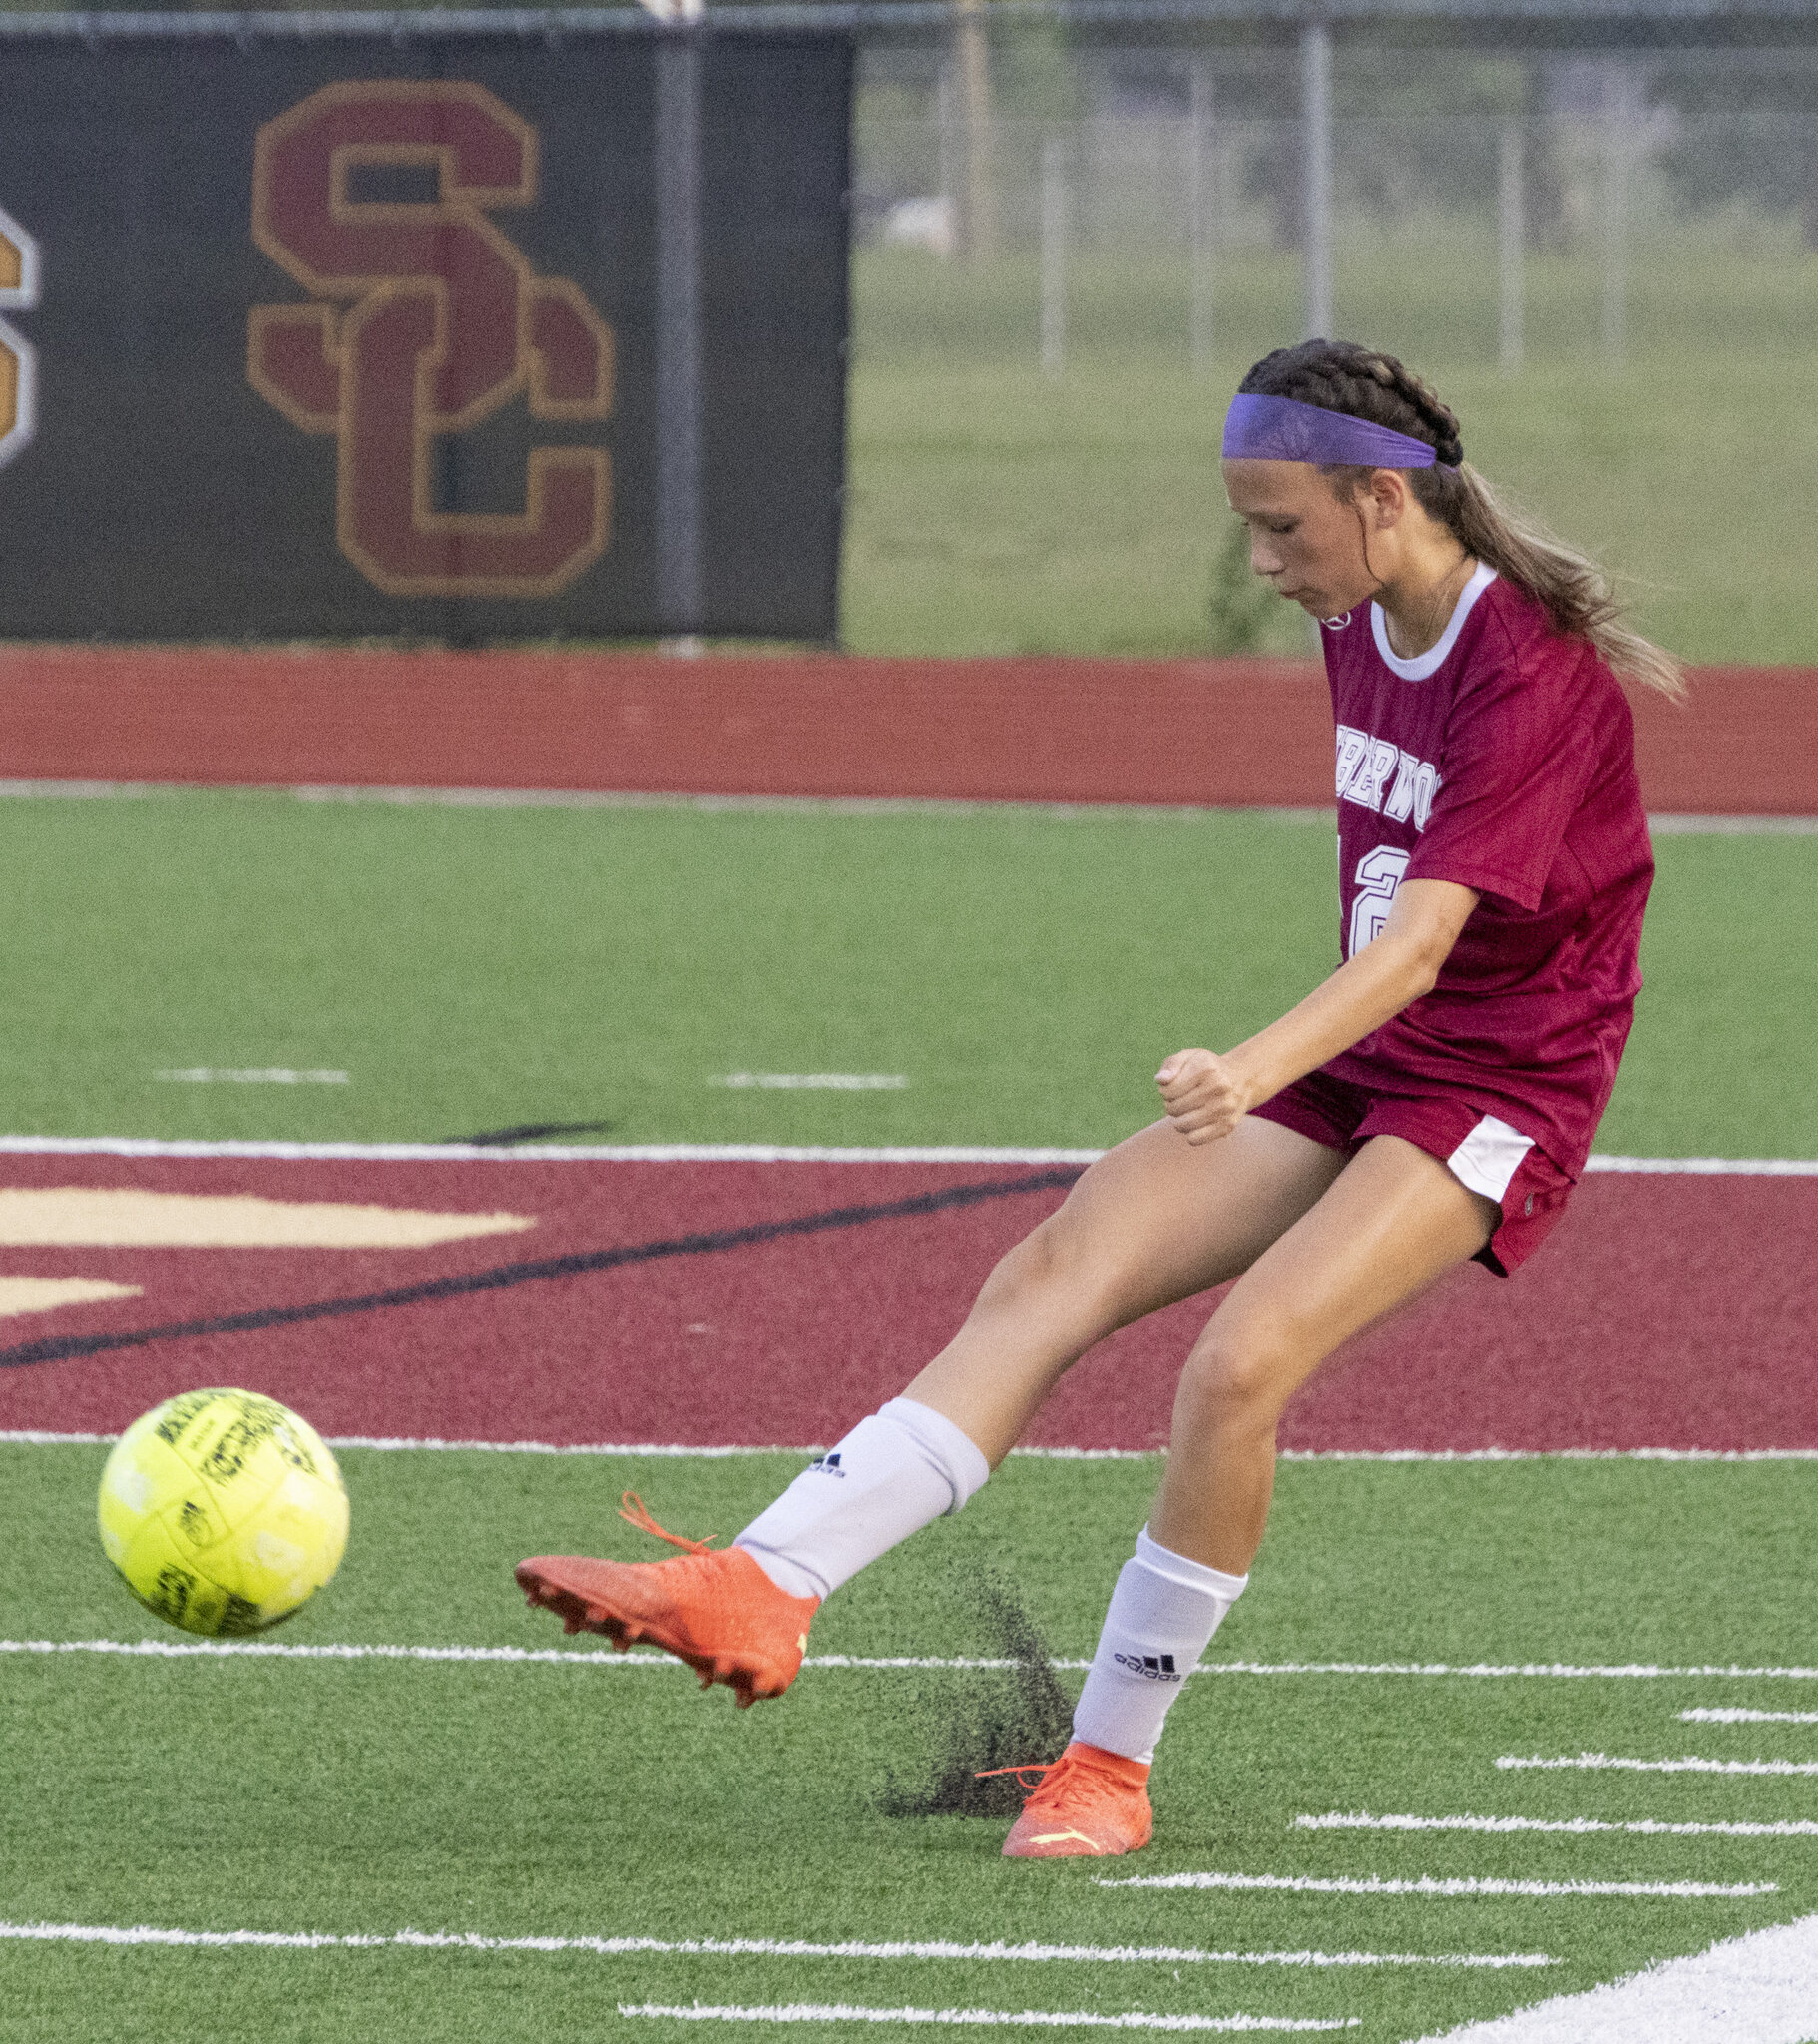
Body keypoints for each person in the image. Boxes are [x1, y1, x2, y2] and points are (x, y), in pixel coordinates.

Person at [517, 338, 1683, 1859]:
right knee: (1054, 1268)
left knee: (1236, 1367)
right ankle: (764, 1581)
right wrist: (1290, 1069)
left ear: (1383, 500)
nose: (1260, 560)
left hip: (1494, 1079)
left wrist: (1255, 1067)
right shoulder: (1359, 610)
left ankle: (1108, 1770)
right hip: (1363, 1047)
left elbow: (1419, 948)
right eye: (1247, 527)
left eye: (1281, 526)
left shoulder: (1522, 670)